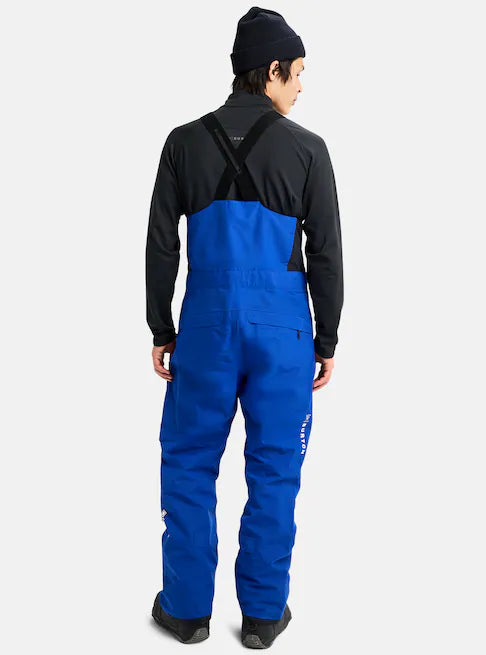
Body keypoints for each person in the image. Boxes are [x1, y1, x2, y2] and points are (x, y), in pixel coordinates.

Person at [146, 6, 344, 648]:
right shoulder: (308, 149)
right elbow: (326, 254)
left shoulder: (182, 142)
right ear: (273, 69)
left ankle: (185, 612)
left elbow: (161, 245)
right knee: (276, 469)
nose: (302, 85)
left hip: (205, 325)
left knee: (189, 463)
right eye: (299, 72)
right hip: (284, 333)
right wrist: (326, 339)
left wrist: (161, 327)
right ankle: (261, 615)